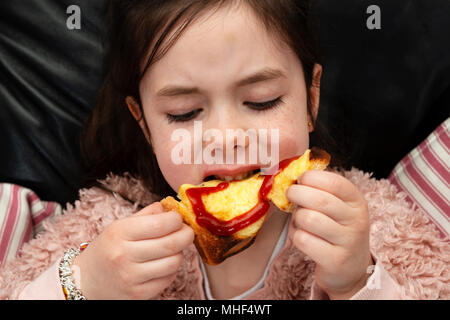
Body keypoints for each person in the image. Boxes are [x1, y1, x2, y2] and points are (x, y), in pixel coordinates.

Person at [0, 0, 448, 300]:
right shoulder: (105, 227)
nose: (227, 137)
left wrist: (358, 283)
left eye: (261, 102)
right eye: (183, 112)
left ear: (311, 99)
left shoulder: (368, 225)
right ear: (145, 125)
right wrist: (85, 284)